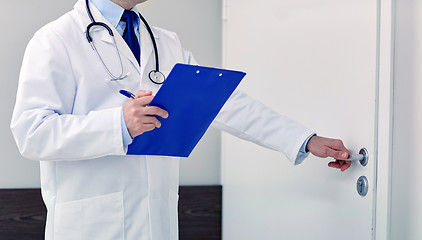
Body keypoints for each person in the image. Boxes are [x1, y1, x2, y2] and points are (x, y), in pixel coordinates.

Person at [10, 0, 351, 239]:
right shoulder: (56, 39)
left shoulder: (164, 42)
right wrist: (118, 125)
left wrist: (303, 139)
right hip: (92, 224)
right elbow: (32, 132)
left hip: (156, 220)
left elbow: (223, 104)